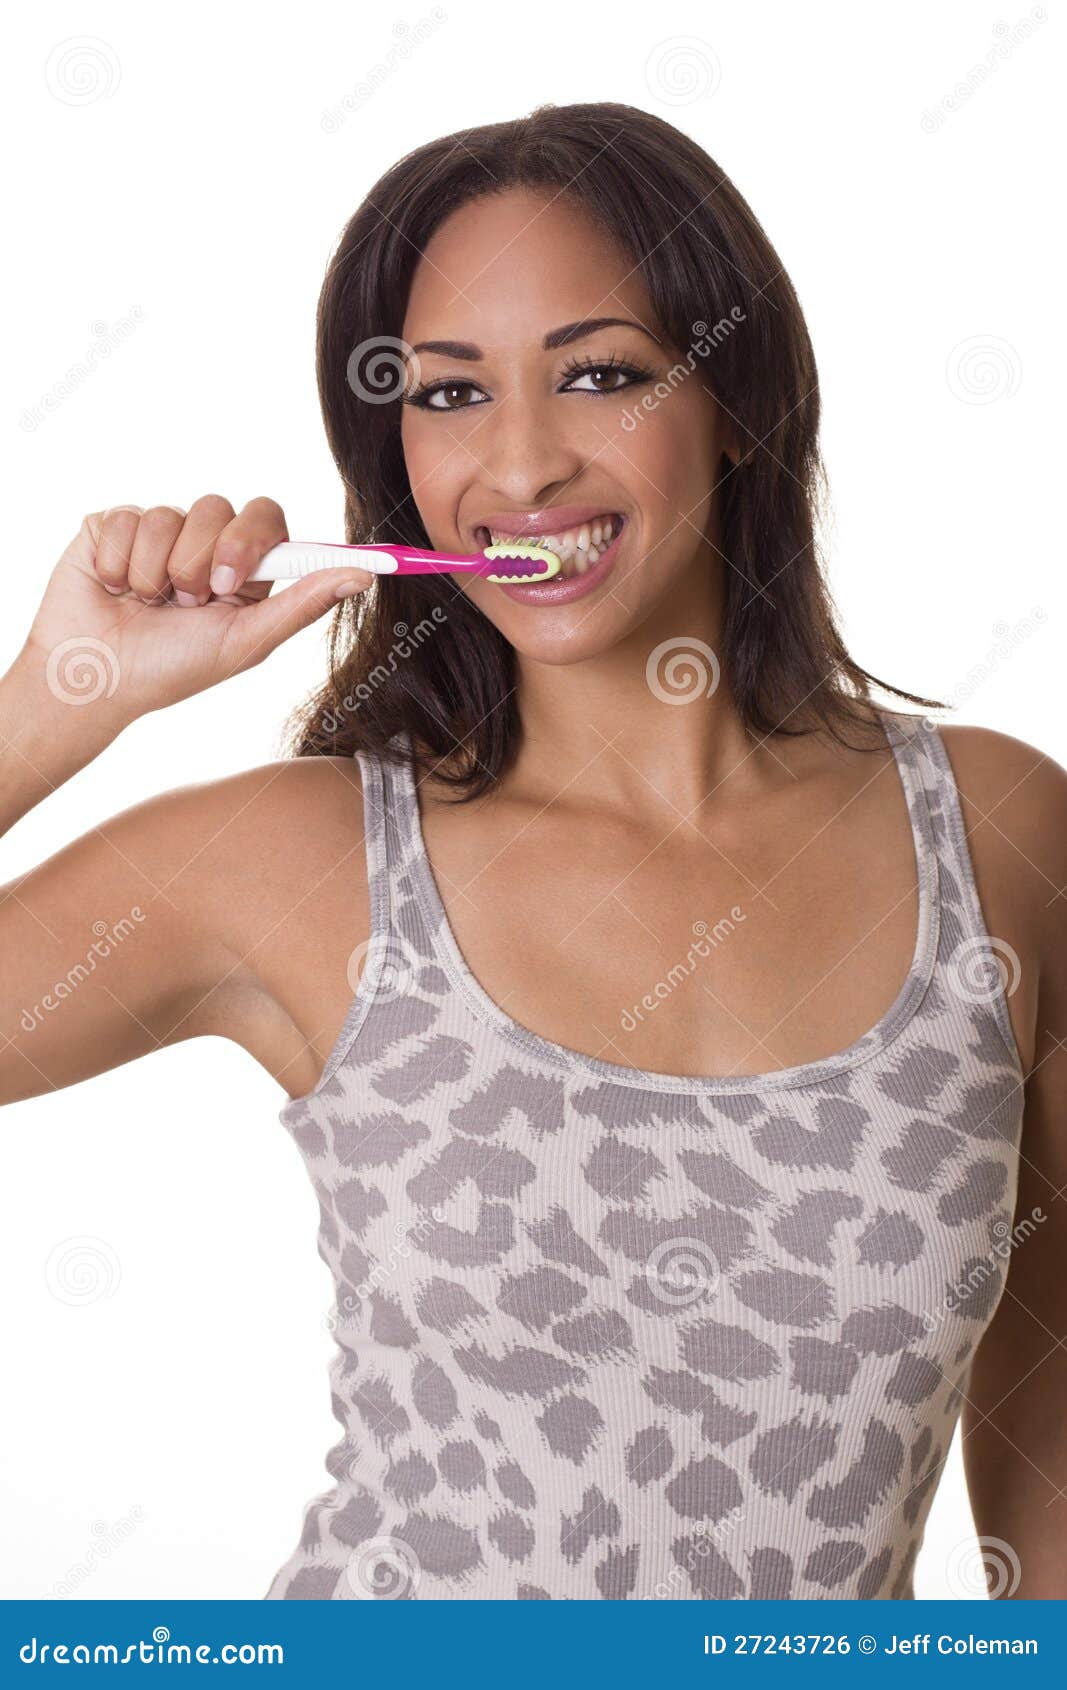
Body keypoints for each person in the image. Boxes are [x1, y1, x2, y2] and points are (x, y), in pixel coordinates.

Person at [2, 102, 1064, 1602]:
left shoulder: (1004, 834)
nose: (520, 463)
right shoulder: (295, 859)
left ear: (740, 400)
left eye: (602, 375)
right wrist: (62, 692)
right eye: (447, 396)